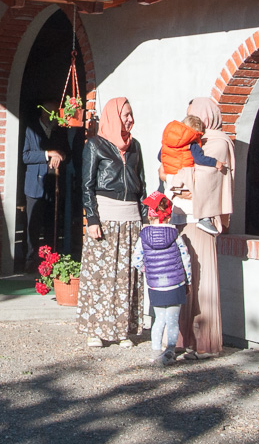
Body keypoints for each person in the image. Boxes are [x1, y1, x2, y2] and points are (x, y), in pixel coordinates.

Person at [78, 97, 146, 348]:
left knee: (127, 276)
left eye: (131, 114)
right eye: (125, 115)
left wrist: (145, 218)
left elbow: (142, 184)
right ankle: (94, 330)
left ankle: (122, 330)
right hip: (106, 217)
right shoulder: (95, 145)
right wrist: (92, 219)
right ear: (114, 117)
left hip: (131, 219)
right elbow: (87, 185)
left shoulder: (135, 146)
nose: (130, 119)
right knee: (100, 275)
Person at [176, 97, 237, 358]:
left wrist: (177, 177)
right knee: (184, 280)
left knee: (201, 283)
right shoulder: (194, 141)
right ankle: (183, 339)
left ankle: (203, 342)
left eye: (195, 115)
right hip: (184, 219)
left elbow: (205, 179)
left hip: (202, 221)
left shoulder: (218, 143)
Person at [133, 192, 192, 366]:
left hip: (155, 284)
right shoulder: (175, 235)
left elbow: (136, 260)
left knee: (159, 319)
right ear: (168, 215)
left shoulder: (143, 236)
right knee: (173, 320)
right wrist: (188, 280)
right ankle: (170, 351)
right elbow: (185, 259)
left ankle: (155, 351)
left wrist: (148, 270)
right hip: (175, 283)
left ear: (150, 215)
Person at [160, 114, 227, 235]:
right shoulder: (192, 142)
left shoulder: (167, 141)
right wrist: (215, 163)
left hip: (170, 175)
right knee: (203, 192)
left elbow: (160, 156)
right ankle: (204, 219)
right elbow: (199, 159)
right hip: (184, 175)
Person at [21, 101, 68, 269]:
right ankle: (30, 260)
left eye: (56, 113)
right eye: (51, 113)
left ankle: (49, 262)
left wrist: (59, 155)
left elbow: (67, 153)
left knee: (51, 224)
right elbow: (26, 156)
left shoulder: (59, 130)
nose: (54, 117)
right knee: (33, 226)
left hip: (52, 184)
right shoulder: (31, 129)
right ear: (43, 113)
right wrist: (48, 154)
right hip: (34, 184)